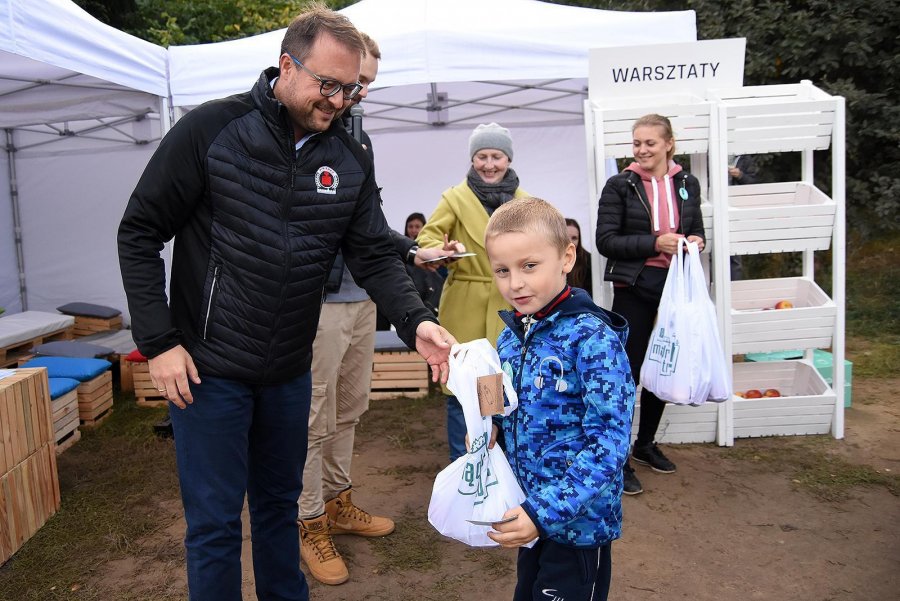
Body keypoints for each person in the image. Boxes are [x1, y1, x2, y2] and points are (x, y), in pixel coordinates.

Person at [117, 8, 456, 601]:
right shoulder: (211, 129)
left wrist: (416, 320)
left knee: (280, 510)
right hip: (206, 368)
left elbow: (373, 251)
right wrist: (160, 341)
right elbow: (139, 232)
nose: (341, 100)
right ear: (286, 66)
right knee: (216, 524)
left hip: (286, 371)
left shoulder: (350, 154)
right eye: (328, 84)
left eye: (351, 88)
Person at [483, 197, 634, 601]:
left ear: (566, 257)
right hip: (531, 512)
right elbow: (505, 399)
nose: (515, 283)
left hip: (579, 527)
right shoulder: (510, 335)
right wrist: (490, 424)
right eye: (502, 270)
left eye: (529, 266)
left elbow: (611, 441)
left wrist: (543, 513)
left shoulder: (592, 339)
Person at [595, 113, 706, 496]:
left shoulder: (687, 182)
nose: (642, 150)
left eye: (650, 143)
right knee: (627, 373)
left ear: (668, 144)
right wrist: (656, 242)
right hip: (634, 288)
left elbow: (697, 229)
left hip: (675, 289)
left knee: (665, 363)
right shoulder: (619, 185)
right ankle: (619, 457)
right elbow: (606, 241)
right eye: (637, 143)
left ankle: (645, 444)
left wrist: (696, 241)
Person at [416, 122, 529, 461]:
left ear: (508, 159)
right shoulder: (455, 198)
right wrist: (443, 249)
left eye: (496, 156)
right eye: (482, 156)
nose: (489, 164)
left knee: (498, 386)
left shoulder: (525, 202)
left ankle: (497, 466)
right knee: (461, 387)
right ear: (472, 159)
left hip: (509, 305)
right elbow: (426, 240)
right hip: (464, 303)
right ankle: (464, 465)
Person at [727, 154, 760, 280]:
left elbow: (754, 183)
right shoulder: (711, 155)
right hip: (717, 207)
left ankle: (734, 288)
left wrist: (740, 175)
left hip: (737, 209)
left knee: (735, 256)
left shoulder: (745, 158)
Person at [564, 217, 593, 297]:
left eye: (574, 238)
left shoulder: (588, 261)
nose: (570, 242)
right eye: (566, 237)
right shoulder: (549, 259)